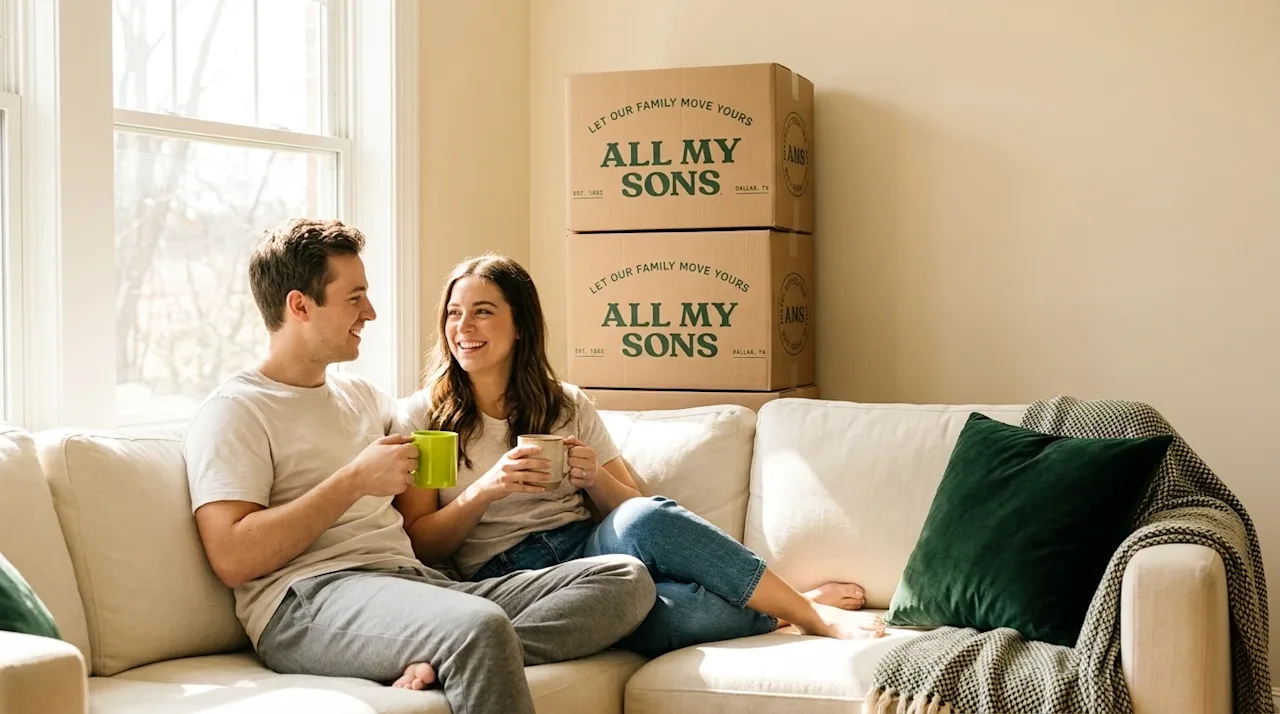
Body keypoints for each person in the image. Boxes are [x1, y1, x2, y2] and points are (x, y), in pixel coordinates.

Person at [183, 219, 656, 714]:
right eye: (354, 298)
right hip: (308, 599)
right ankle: (462, 649)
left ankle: (449, 656)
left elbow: (425, 513)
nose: (370, 312)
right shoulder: (237, 410)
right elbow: (232, 559)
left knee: (625, 579)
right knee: (477, 627)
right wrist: (353, 481)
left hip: (417, 584)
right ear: (300, 306)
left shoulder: (365, 398)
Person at [396, 254, 885, 658]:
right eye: (453, 313)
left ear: (520, 324)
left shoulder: (565, 404)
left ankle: (807, 612)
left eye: (482, 311)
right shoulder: (426, 417)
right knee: (667, 615)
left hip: (588, 548)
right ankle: (784, 607)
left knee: (645, 518)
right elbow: (423, 544)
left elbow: (637, 510)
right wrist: (486, 490)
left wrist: (594, 478)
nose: (463, 326)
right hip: (510, 577)